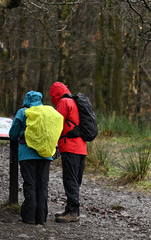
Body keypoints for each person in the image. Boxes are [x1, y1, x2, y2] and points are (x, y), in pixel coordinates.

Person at [9, 91, 52, 225]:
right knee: (42, 185)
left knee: (30, 184)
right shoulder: (47, 112)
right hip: (45, 154)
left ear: (27, 99)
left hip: (27, 154)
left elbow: (13, 134)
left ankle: (28, 217)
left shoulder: (23, 112)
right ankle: (41, 218)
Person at [49, 82, 87, 223]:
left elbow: (57, 125)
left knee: (70, 179)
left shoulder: (64, 102)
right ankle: (72, 209)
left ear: (55, 94)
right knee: (75, 180)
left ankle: (72, 212)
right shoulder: (76, 102)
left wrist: (54, 145)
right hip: (81, 147)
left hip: (70, 147)